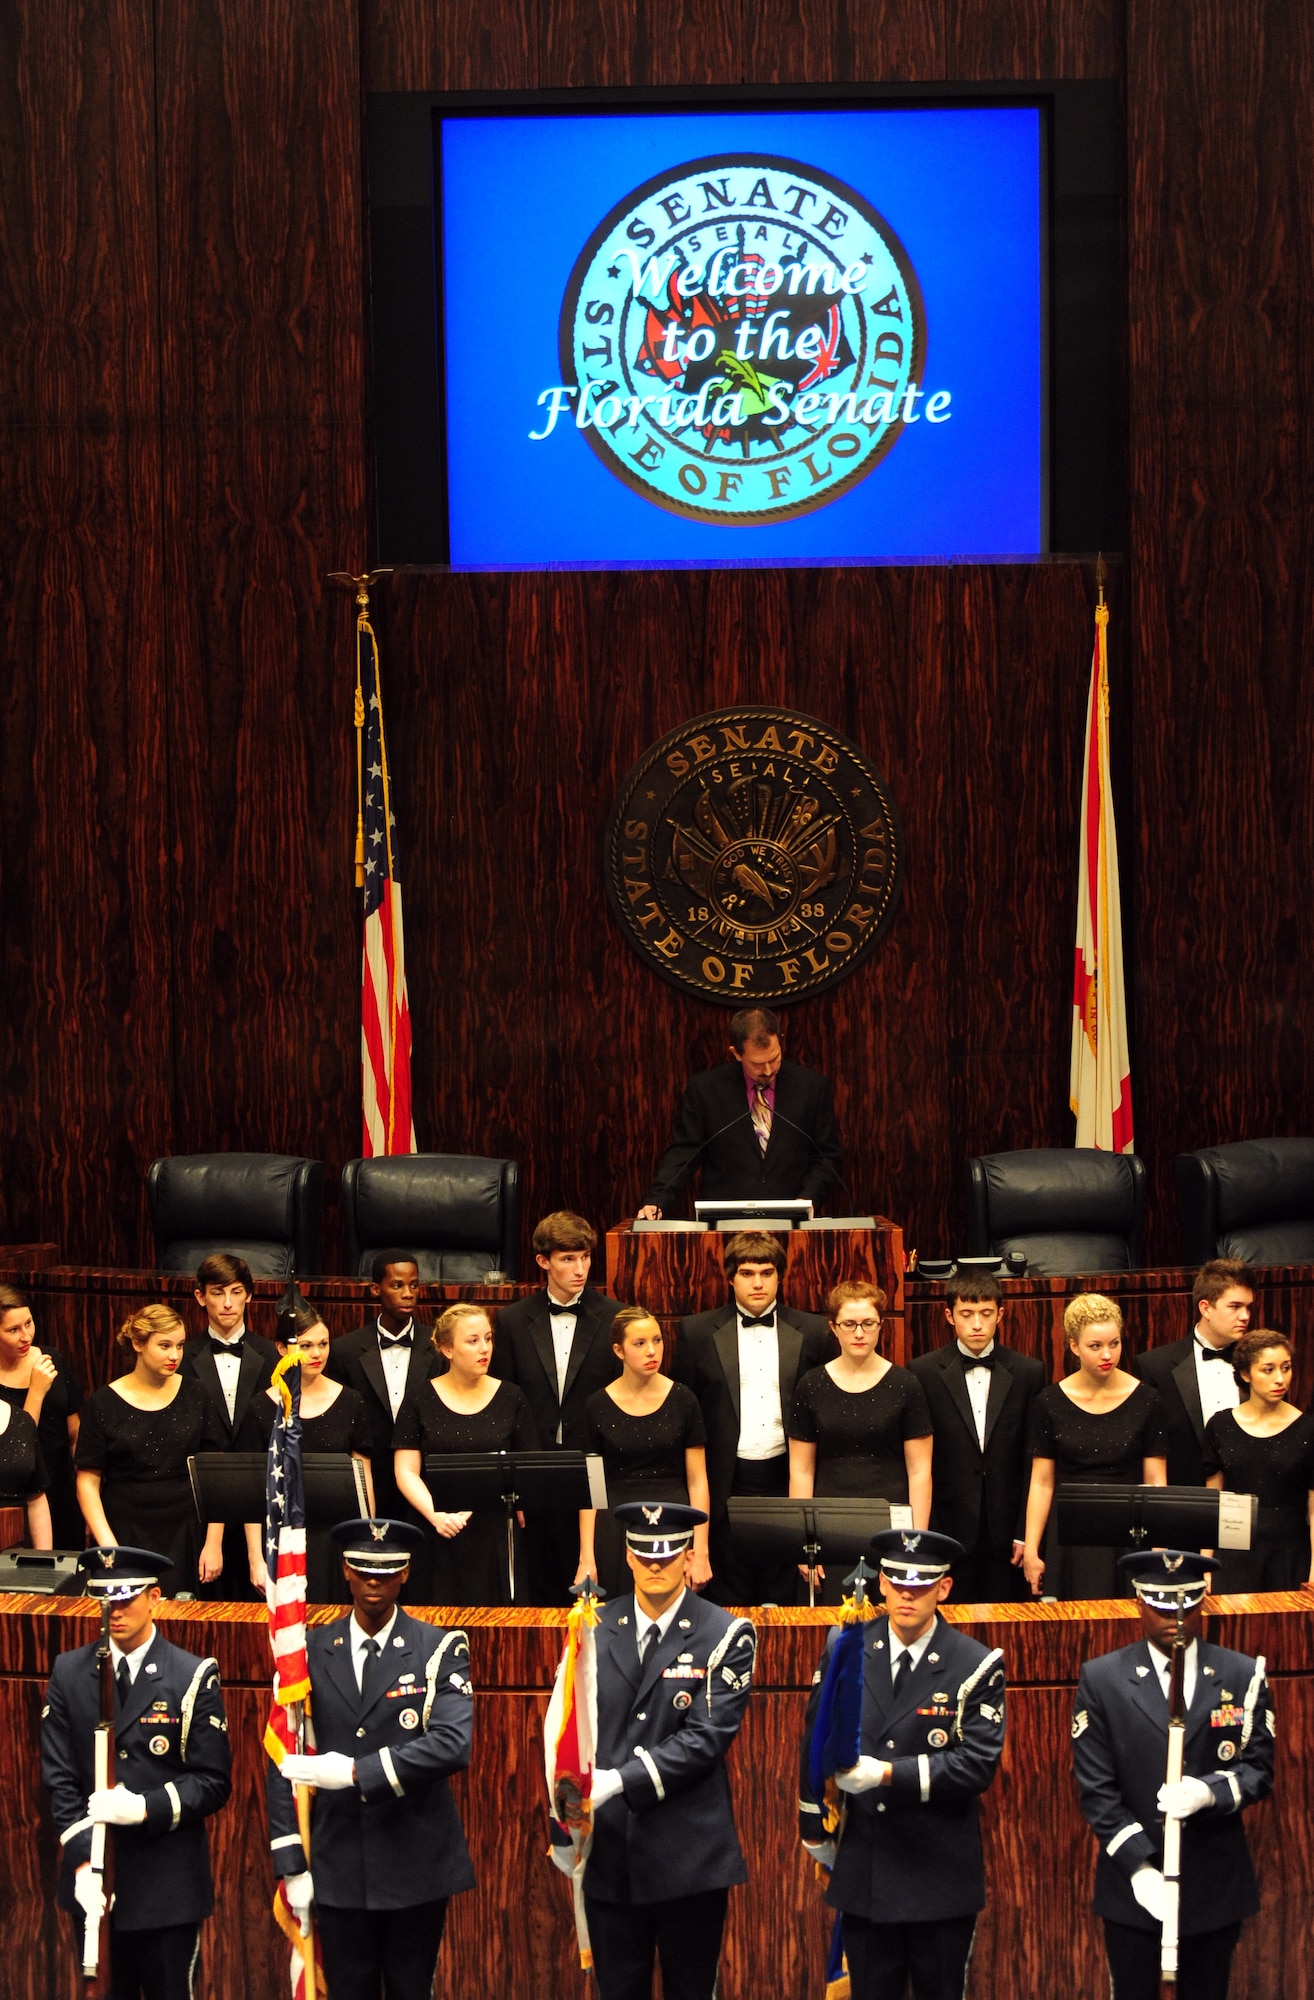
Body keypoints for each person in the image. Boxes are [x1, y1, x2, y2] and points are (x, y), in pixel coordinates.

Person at [550, 1500, 756, 2000]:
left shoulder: (726, 1633)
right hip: (612, 1857)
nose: (656, 1564)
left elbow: (707, 1737)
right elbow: (568, 1728)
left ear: (689, 1557)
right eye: (645, 1554)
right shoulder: (593, 1626)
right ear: (627, 1556)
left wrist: (619, 1779)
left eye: (668, 1553)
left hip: (690, 1858)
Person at [798, 1527, 1006, 2000]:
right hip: (866, 1865)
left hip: (938, 1873)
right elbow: (814, 1736)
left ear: (944, 1588)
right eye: (898, 1582)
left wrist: (888, 1773)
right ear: (882, 1585)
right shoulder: (846, 1648)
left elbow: (976, 1766)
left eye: (922, 1584)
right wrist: (814, 1827)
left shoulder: (975, 1663)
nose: (908, 1594)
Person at [271, 1518, 475, 2000]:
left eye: (386, 1570)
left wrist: (357, 1772)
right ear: (345, 1570)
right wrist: (289, 1861)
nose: (373, 1580)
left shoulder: (439, 1648)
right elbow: (283, 1755)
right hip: (338, 1861)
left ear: (405, 1573)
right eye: (363, 1568)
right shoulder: (310, 1650)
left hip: (415, 1864)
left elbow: (453, 1743)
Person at [1072, 1548, 1275, 2000]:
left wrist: (1209, 1792)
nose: (1175, 1617)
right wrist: (1140, 1867)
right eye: (1162, 1606)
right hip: (1133, 1888)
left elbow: (1259, 1769)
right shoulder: (1103, 1679)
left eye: (1187, 1604)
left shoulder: (1241, 1674)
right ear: (1139, 1601)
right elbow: (1096, 1789)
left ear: (1204, 1599)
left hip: (1212, 1882)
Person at [41, 1543, 232, 2000]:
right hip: (94, 1886)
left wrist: (144, 1807)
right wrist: (84, 1860)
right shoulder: (69, 1672)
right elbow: (59, 1777)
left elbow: (212, 1781)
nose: (116, 1611)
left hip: (167, 1886)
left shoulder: (190, 1674)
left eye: (127, 1598)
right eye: (106, 1600)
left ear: (155, 1597)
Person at [674, 1231, 830, 1605]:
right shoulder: (695, 1332)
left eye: (766, 1272)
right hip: (725, 1483)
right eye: (746, 1273)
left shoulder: (812, 1331)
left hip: (788, 1478)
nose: (757, 1282)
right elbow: (683, 1415)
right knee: (728, 1604)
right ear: (730, 1277)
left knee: (788, 1601)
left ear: (780, 1275)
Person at [492, 1209, 623, 1603]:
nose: (580, 1268)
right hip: (536, 1467)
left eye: (585, 1257)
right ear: (543, 1261)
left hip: (596, 1467)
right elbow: (505, 1402)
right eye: (568, 1259)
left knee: (596, 1591)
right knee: (538, 1586)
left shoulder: (615, 1317)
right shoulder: (513, 1320)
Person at [789, 1282, 933, 1604]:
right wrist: (803, 1543)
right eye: (849, 1324)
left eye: (868, 1324)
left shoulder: (906, 1384)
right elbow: (801, 1469)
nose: (859, 1333)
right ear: (833, 1328)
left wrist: (915, 1542)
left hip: (892, 1528)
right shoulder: (811, 1386)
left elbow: (920, 1470)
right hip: (829, 1529)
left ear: (881, 1326)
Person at [909, 1273, 1046, 1604]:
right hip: (948, 1525)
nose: (977, 1325)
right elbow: (921, 1461)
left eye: (986, 1314)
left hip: (1008, 1529)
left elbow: (1033, 1459)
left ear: (1000, 1314)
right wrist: (926, 1534)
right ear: (949, 1316)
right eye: (967, 1314)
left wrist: (1024, 1534)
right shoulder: (923, 1371)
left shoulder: (1029, 1372)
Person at [393, 1302, 540, 1605]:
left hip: (495, 1533)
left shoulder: (512, 1396)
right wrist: (436, 1516)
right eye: (472, 1341)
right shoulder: (420, 1398)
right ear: (447, 1349)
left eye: (487, 1338)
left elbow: (528, 1466)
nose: (484, 1348)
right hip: (436, 1530)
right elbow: (406, 1470)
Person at [1023, 1294, 1168, 1600]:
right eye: (1096, 1346)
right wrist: (1032, 1549)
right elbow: (1042, 1481)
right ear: (1074, 1346)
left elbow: (1156, 1480)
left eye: (1114, 1344)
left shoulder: (1146, 1400)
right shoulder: (1049, 1402)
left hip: (1129, 1531)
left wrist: (1160, 1546)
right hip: (1069, 1537)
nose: (1107, 1355)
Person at [75, 1305, 227, 1596]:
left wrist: (214, 1542)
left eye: (180, 1346)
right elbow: (87, 1481)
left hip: (186, 1530)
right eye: (165, 1345)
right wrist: (109, 1546)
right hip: (125, 1529)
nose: (175, 1356)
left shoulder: (196, 1394)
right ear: (138, 1344)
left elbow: (216, 1475)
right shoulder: (103, 1403)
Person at [638, 1006, 842, 1218]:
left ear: (780, 1040)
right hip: (726, 1221)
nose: (768, 1070)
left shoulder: (811, 1087)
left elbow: (827, 1155)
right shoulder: (706, 1090)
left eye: (774, 1058)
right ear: (736, 1053)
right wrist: (657, 1200)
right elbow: (685, 1153)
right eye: (757, 1063)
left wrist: (806, 1199)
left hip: (792, 1219)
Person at [238, 1299, 376, 1603]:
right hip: (282, 1539)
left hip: (337, 1537)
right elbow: (250, 1493)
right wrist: (256, 1559)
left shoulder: (351, 1402)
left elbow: (363, 1477)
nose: (316, 1354)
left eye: (323, 1344)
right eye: (306, 1345)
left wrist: (366, 1542)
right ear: (281, 1348)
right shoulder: (261, 1408)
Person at [577, 1305, 711, 1600]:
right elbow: (591, 1489)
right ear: (619, 1350)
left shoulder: (684, 1400)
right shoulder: (597, 1405)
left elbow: (698, 1481)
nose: (652, 1351)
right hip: (615, 1527)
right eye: (640, 1343)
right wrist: (587, 1556)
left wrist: (700, 1551)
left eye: (657, 1340)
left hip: (674, 1520)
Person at [180, 1252, 279, 1601]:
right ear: (200, 1296)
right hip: (202, 1510)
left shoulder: (272, 1357)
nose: (227, 1303)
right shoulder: (182, 1358)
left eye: (236, 1292)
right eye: (218, 1292)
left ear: (250, 1295)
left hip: (263, 1504)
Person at [326, 1253, 441, 1548]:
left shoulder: (438, 1346)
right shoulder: (345, 1350)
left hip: (425, 1478)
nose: (408, 1294)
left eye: (414, 1286)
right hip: (370, 1474)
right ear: (376, 1289)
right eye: (397, 1285)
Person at [1204, 1327, 1314, 1592]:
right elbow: (1211, 1500)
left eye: (1286, 1368)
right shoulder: (1221, 1426)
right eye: (1269, 1370)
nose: (1280, 1379)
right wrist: (1205, 1562)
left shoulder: (1307, 1429)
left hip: (1288, 1551)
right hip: (1234, 1549)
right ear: (1246, 1374)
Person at [1134, 1258, 1254, 1488]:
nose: (1245, 1316)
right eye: (1235, 1306)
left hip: (1250, 1501)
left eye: (1248, 1307)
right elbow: (1150, 1448)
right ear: (1205, 1308)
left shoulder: (1259, 1364)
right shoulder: (1155, 1367)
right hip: (1182, 1503)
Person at [0, 1283, 83, 1545]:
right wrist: (36, 1392)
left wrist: (85, 1494)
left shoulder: (52, 1358)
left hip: (62, 1490)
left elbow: (74, 1433)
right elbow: (15, 1450)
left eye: (29, 1323)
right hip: (18, 1499)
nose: (26, 1336)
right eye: (13, 1330)